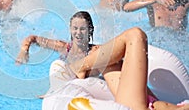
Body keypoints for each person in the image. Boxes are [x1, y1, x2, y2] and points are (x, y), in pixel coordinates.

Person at [15, 11, 188, 110]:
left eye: (82, 29)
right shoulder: (64, 48)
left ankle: (79, 69)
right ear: (70, 29)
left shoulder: (99, 51)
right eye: (75, 28)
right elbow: (33, 38)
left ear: (90, 31)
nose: (78, 33)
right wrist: (24, 50)